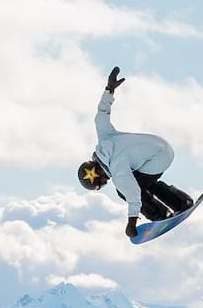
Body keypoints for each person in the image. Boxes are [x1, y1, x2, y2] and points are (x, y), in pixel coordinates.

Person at [78, 67, 194, 238]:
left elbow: (132, 195)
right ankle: (182, 202)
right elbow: (101, 115)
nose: (107, 182)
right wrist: (109, 90)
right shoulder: (104, 138)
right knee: (140, 181)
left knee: (126, 189)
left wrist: (131, 223)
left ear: (99, 176)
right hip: (160, 146)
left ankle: (160, 215)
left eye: (102, 183)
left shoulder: (117, 169)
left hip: (158, 158)